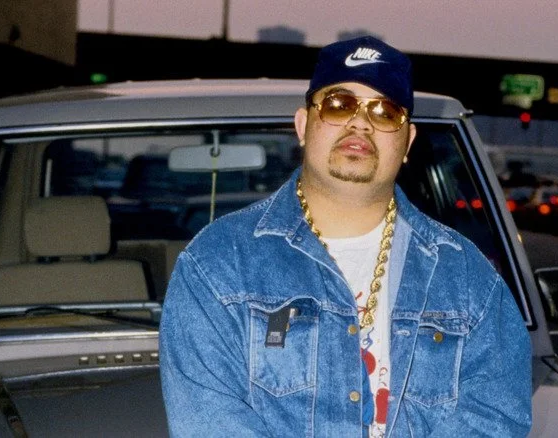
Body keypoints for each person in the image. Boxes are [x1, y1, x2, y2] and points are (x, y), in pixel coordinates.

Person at [160, 36, 532, 437]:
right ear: (303, 125)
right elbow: (210, 425)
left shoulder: (467, 278)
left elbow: (496, 421)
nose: (360, 122)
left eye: (385, 112)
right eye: (339, 104)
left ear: (407, 143)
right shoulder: (218, 265)